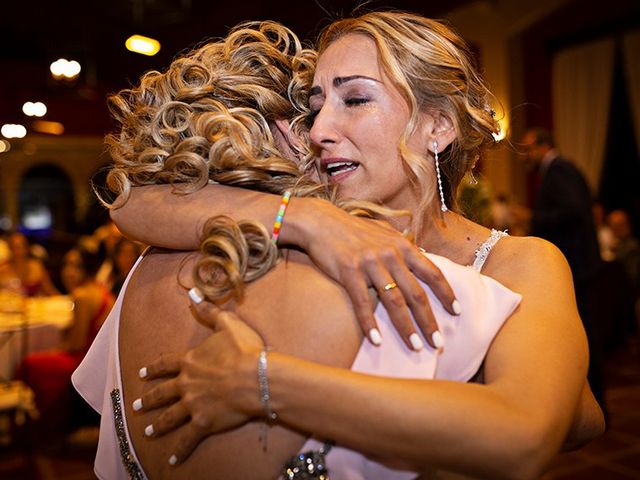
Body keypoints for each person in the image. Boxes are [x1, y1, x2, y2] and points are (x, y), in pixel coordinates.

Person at [100, 12, 603, 479]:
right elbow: (130, 204)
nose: (320, 131)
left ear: (438, 126)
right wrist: (306, 217)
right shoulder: (307, 237)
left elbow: (569, 424)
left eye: (355, 100)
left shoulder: (519, 262)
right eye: (314, 110)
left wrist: (265, 383)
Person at [518, 127, 605, 408]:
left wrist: (533, 218)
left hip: (577, 266)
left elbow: (574, 210)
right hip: (579, 264)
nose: (525, 156)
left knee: (582, 336)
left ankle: (591, 403)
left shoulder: (559, 169)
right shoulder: (559, 169)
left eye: (529, 149)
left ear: (544, 146)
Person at [19, 241, 114, 436]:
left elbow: (76, 344)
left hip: (84, 362)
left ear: (87, 268)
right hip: (100, 360)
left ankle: (45, 426)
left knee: (29, 363)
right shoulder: (100, 290)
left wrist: (52, 351)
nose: (69, 272)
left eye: (76, 266)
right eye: (66, 265)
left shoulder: (81, 296)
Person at [0, 231, 59, 296]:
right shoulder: (3, 268)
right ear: (10, 249)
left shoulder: (36, 266)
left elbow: (50, 290)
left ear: (27, 248)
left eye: (20, 247)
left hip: (36, 304)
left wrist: (64, 300)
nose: (18, 251)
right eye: (14, 247)